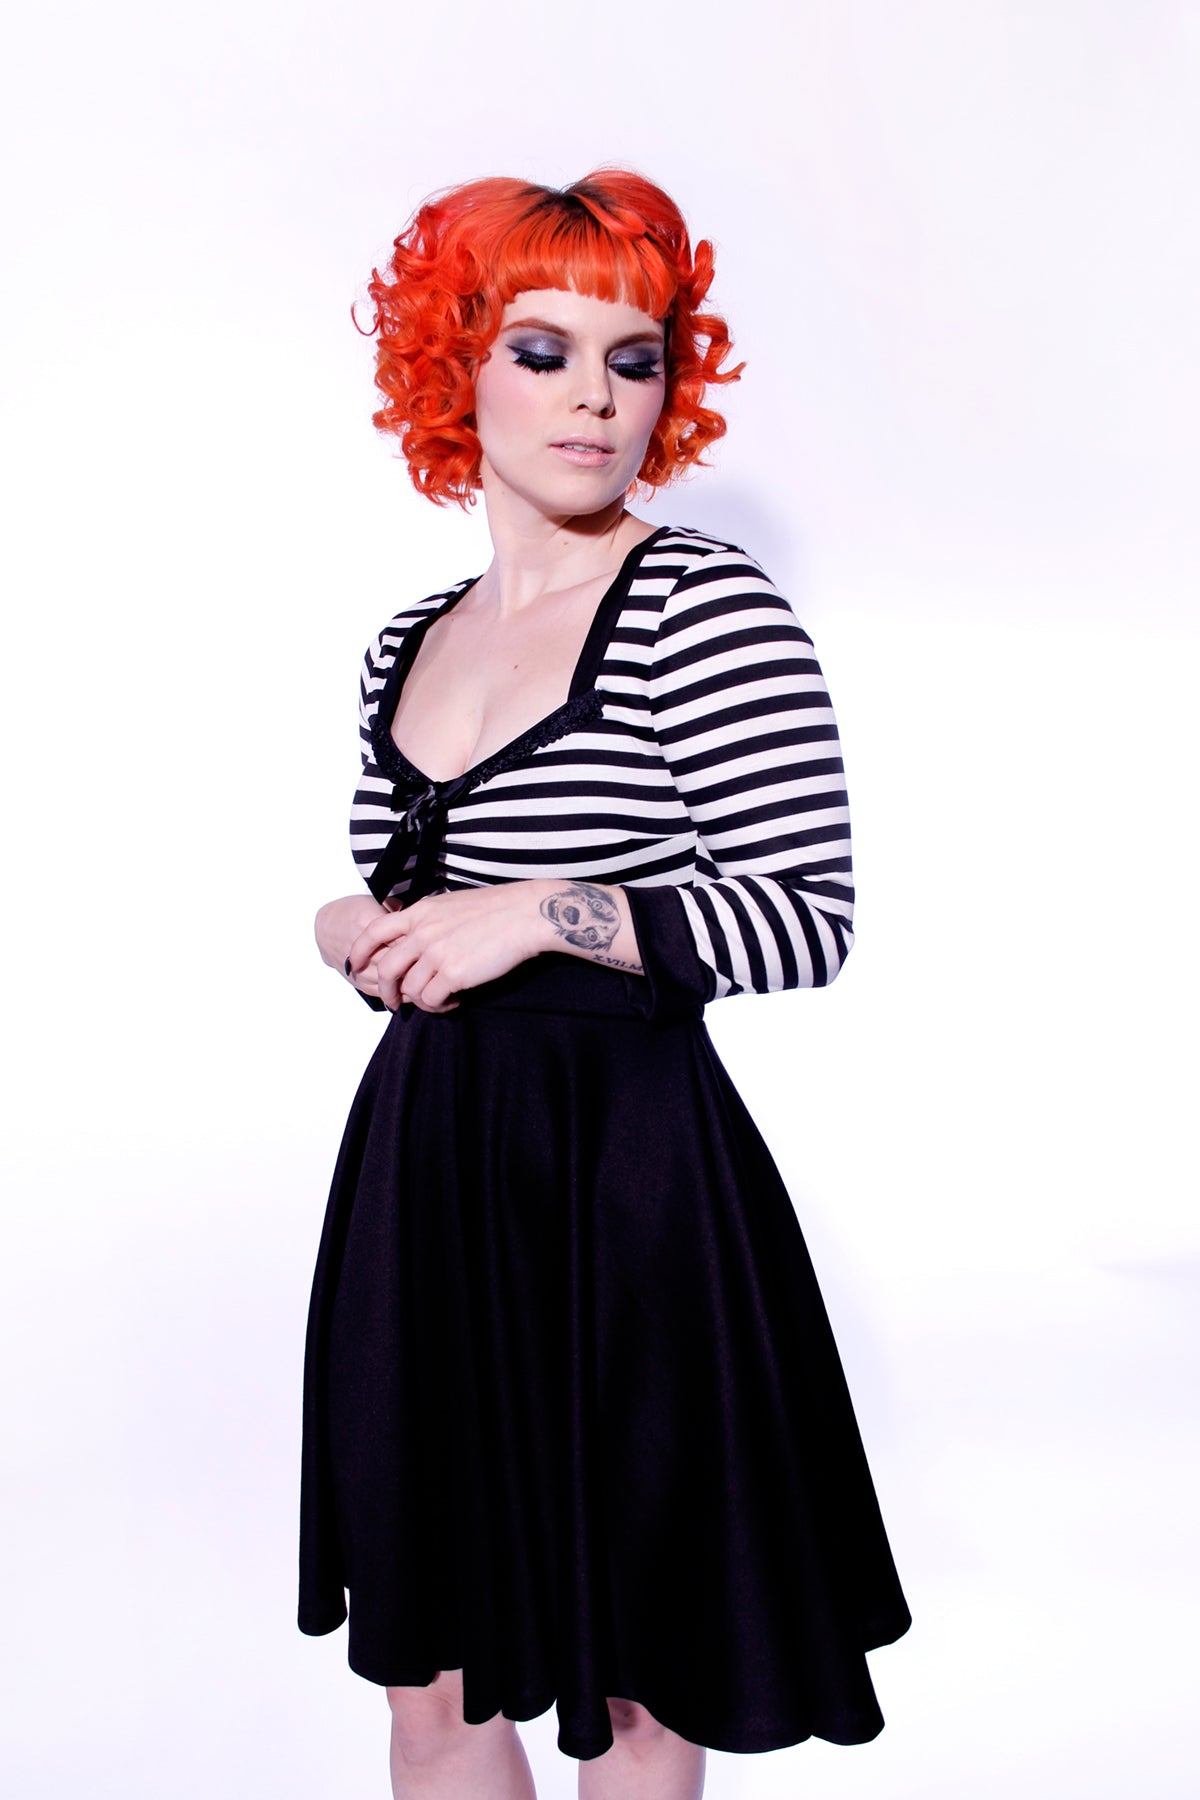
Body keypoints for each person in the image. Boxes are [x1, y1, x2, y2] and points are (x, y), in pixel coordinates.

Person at [298, 169, 911, 1800]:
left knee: (640, 1681)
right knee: (430, 1686)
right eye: (544, 351)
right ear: (456, 371)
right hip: (428, 1181)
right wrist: (353, 929)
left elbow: (806, 920)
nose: (594, 397)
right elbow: (420, 914)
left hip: (625, 1188)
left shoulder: (701, 604)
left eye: (633, 361)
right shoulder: (407, 639)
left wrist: (543, 915)